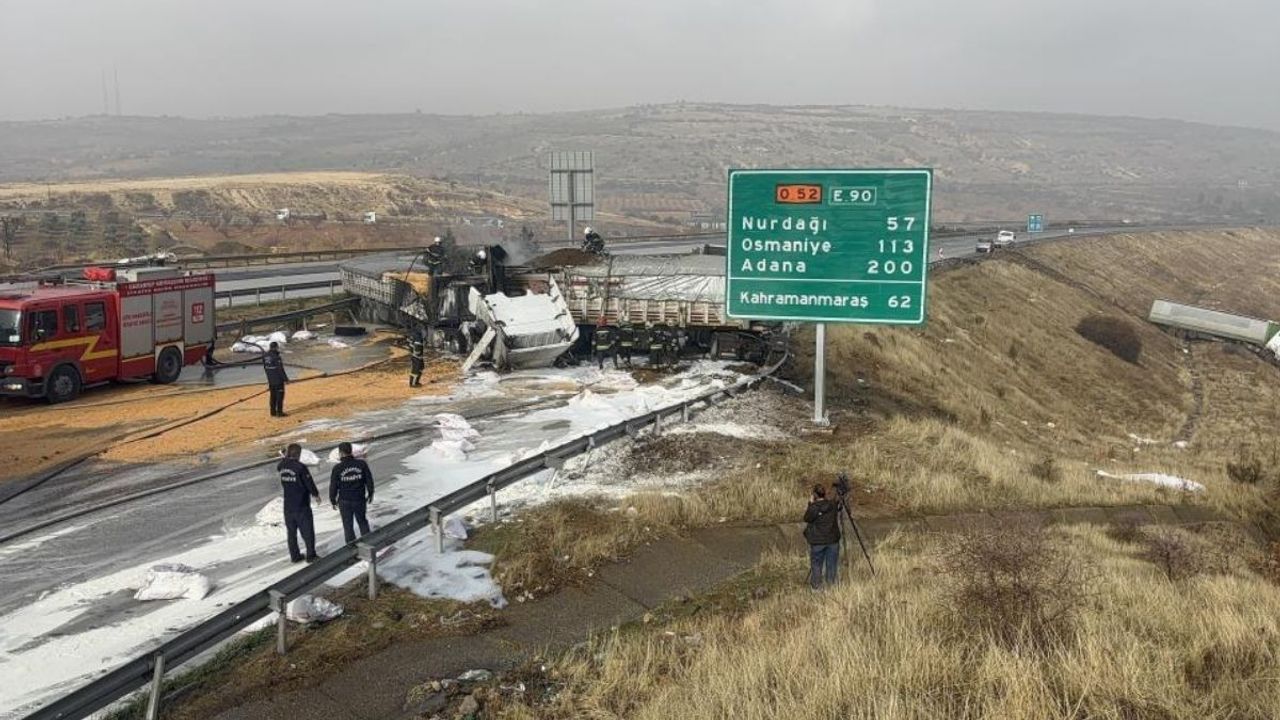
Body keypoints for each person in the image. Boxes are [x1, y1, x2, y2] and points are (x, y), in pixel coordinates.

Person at [277, 443, 320, 563]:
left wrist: (286, 456)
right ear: (298, 454)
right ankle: (311, 555)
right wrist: (315, 494)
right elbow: (308, 482)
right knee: (307, 531)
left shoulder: (282, 466)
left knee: (291, 533)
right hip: (301, 504)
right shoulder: (300, 467)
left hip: (288, 505)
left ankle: (295, 556)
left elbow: (280, 465)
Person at [330, 441, 374, 544]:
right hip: (359, 498)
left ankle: (351, 549)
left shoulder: (337, 468)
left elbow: (333, 486)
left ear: (340, 453)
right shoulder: (361, 464)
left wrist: (332, 499)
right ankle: (368, 544)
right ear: (351, 451)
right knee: (362, 522)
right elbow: (369, 480)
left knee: (348, 526)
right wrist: (371, 493)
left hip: (344, 501)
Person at [803, 484, 841, 589]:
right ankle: (831, 586)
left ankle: (816, 587)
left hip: (818, 542)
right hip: (833, 541)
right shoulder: (832, 505)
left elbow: (807, 518)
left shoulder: (814, 508)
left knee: (816, 565)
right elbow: (838, 503)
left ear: (814, 495)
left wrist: (810, 504)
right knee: (832, 565)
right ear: (824, 494)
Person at [263, 341, 289, 417]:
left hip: (271, 380)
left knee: (272, 396)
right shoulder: (276, 357)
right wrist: (285, 379)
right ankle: (279, 412)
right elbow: (280, 369)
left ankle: (273, 412)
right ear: (275, 347)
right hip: (278, 380)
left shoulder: (265, 356)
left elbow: (265, 368)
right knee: (280, 396)